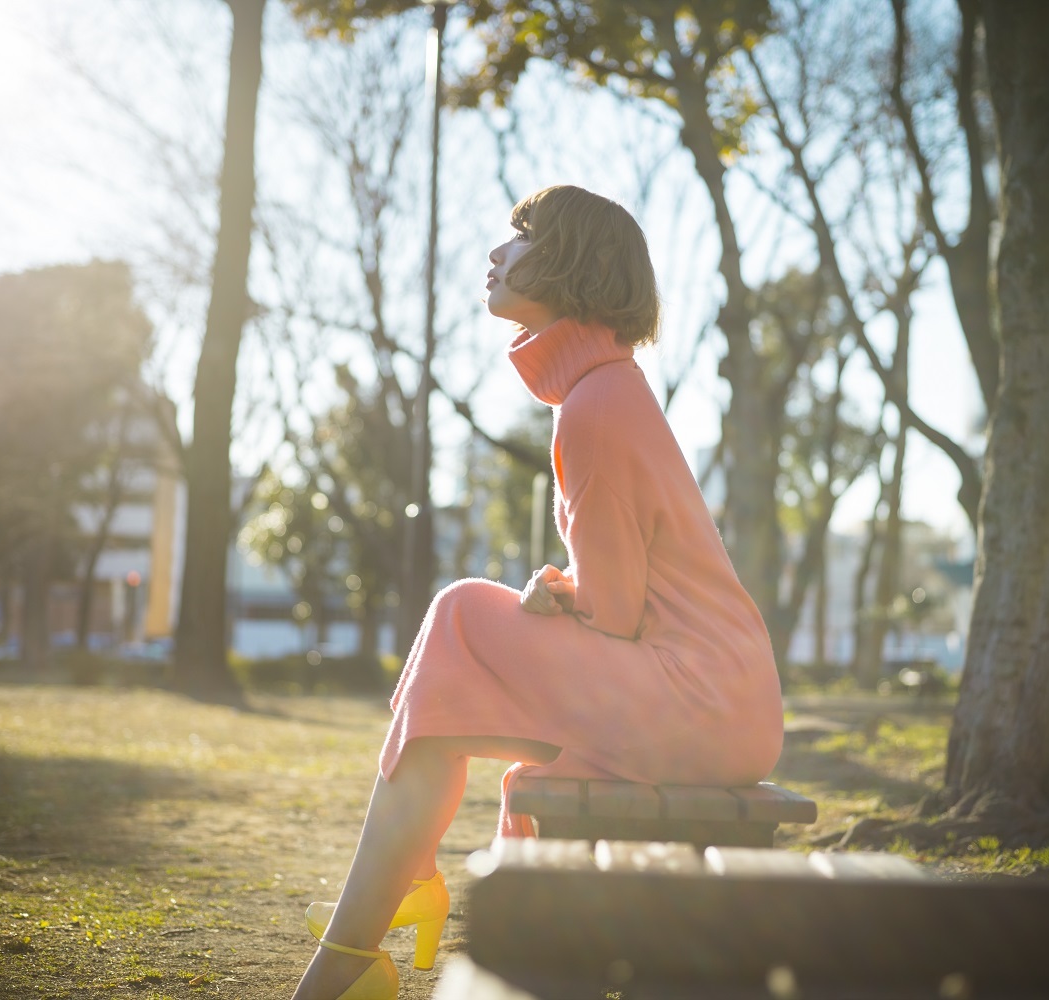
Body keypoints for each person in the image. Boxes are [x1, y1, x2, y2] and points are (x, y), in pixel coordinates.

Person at [290, 185, 784, 1000]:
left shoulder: (595, 405)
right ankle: (370, 933)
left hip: (698, 696)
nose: (496, 253)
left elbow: (619, 617)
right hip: (721, 700)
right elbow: (631, 594)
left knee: (458, 609)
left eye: (521, 236)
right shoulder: (609, 392)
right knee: (456, 669)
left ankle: (370, 932)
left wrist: (563, 593)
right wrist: (564, 588)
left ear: (573, 264)